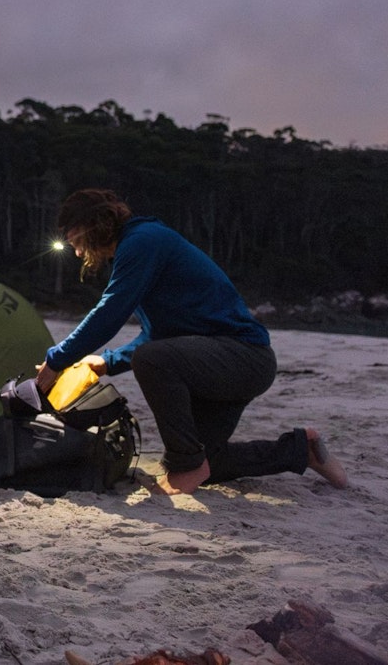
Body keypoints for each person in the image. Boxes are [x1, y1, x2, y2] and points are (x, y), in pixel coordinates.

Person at [34, 189, 348, 495]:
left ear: (93, 227)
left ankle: (186, 467)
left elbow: (111, 311)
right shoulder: (139, 244)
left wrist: (57, 359)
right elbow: (160, 334)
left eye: (75, 241)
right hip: (218, 361)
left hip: (244, 357)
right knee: (208, 460)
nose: (77, 252)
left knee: (152, 361)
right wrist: (108, 362)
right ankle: (301, 450)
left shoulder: (142, 242)